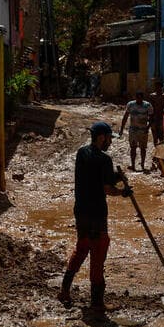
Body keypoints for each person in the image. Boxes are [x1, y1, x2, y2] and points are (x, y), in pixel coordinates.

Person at [58, 121, 132, 311]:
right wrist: (123, 192)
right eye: (108, 138)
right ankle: (97, 303)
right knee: (98, 252)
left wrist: (115, 176)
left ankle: (64, 289)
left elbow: (94, 176)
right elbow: (107, 189)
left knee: (82, 247)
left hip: (81, 210)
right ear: (101, 137)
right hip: (97, 213)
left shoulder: (82, 153)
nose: (110, 142)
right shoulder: (105, 160)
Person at [119, 90, 154, 171]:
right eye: (137, 98)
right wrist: (121, 129)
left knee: (143, 148)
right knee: (133, 148)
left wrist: (148, 127)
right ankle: (133, 165)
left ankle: (142, 164)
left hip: (143, 131)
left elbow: (152, 118)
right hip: (133, 131)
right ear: (135, 97)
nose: (138, 99)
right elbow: (125, 117)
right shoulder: (130, 104)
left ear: (142, 98)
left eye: (140, 98)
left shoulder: (147, 105)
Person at [148, 81, 164, 146]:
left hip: (161, 117)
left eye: (159, 87)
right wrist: (150, 118)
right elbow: (150, 108)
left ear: (161, 87)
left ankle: (160, 151)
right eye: (156, 87)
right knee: (155, 136)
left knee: (161, 136)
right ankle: (156, 149)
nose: (158, 88)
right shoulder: (152, 96)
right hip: (154, 118)